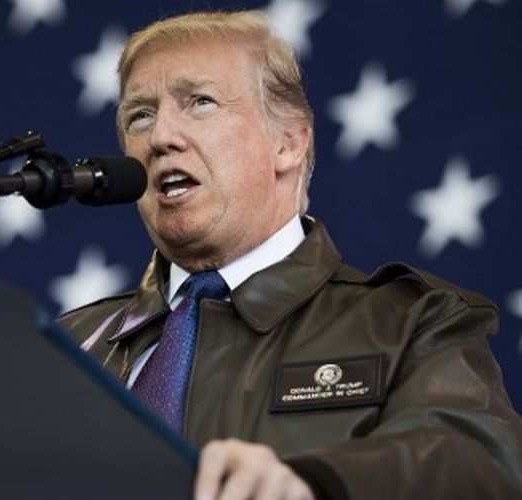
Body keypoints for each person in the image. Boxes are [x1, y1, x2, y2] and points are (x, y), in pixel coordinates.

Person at [58, 10, 522, 500]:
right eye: (141, 115)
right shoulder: (69, 347)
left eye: (200, 102)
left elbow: (485, 463)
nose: (160, 138)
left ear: (289, 142)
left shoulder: (411, 323)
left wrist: (315, 483)